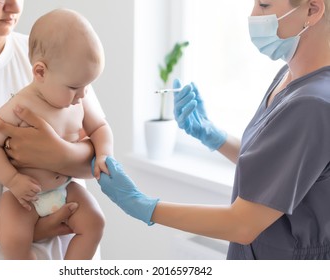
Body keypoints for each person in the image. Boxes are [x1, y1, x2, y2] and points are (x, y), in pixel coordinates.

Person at [94, 0, 330, 259]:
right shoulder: (289, 76)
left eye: (263, 5)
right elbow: (277, 169)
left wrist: (142, 205)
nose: (252, 16)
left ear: (312, 9)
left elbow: (242, 224)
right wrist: (214, 136)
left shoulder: (312, 104)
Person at [0, 0, 106, 259]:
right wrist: (24, 231)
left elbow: (101, 159)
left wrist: (60, 154)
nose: (15, 6)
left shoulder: (55, 52)